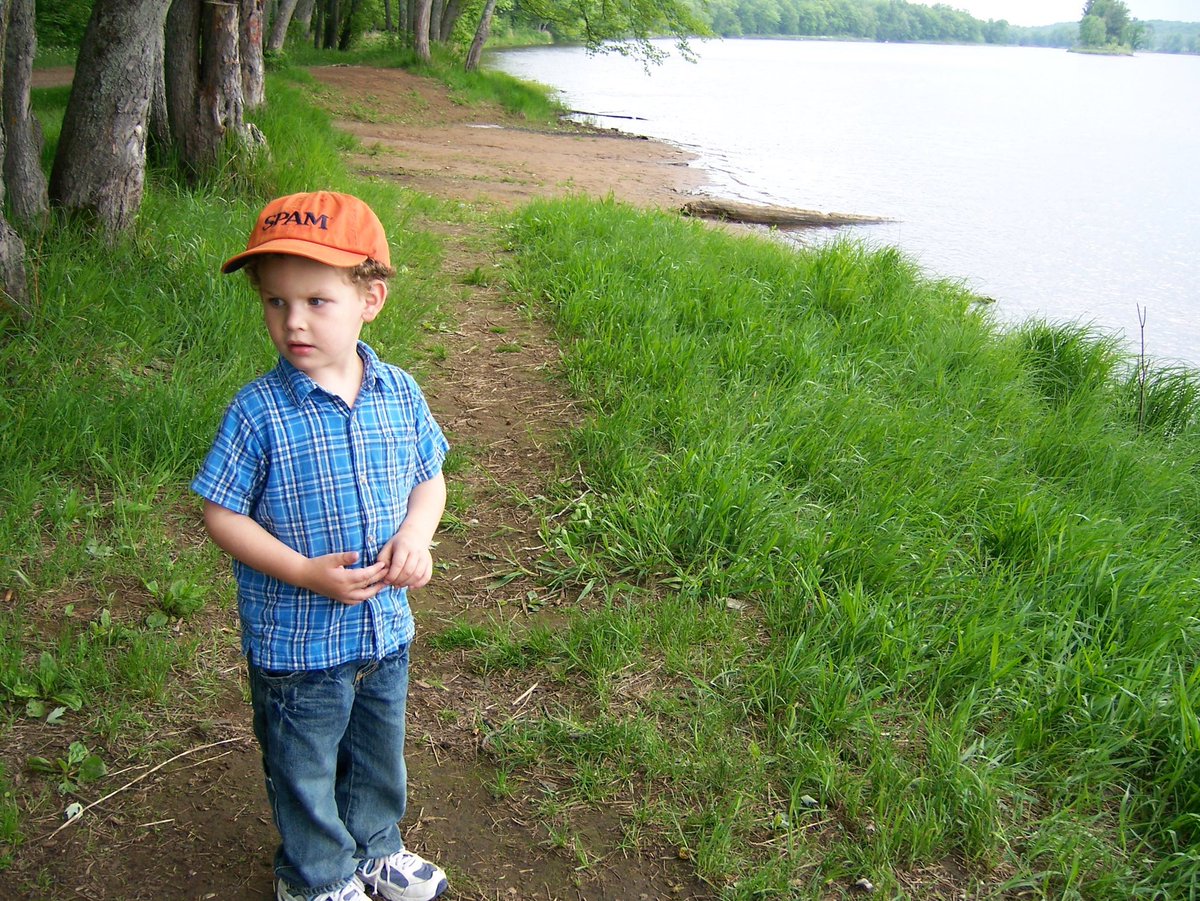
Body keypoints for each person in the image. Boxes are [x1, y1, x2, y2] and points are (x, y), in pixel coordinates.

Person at [191, 191, 450, 901]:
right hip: (297, 644)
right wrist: (302, 570)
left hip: (383, 627)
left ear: (372, 297)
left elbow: (430, 479)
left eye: (316, 300)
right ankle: (317, 876)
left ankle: (375, 847)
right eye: (275, 302)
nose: (293, 320)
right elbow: (222, 514)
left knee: (376, 754)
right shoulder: (258, 411)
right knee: (303, 763)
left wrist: (415, 536)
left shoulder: (399, 392)